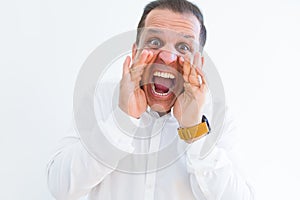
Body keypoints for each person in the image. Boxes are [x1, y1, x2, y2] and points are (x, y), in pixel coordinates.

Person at [47, 0, 254, 199]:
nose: (167, 57)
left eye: (183, 47)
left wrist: (194, 132)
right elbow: (61, 187)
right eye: (155, 42)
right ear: (135, 52)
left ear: (199, 62)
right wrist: (123, 119)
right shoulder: (100, 98)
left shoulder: (217, 115)